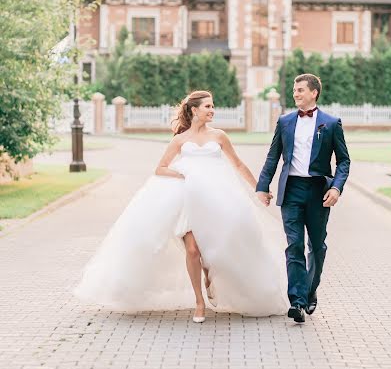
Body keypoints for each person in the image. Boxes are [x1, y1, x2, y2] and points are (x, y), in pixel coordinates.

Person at [74, 90, 288, 322]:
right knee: (193, 250)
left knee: (215, 248)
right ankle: (199, 302)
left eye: (212, 106)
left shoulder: (219, 136)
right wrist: (185, 175)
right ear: (194, 110)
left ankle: (210, 275)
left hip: (217, 200)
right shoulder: (180, 140)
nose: (212, 110)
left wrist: (259, 188)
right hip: (188, 201)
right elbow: (161, 168)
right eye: (207, 106)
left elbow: (238, 164)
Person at [256, 74, 350, 323]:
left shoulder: (331, 123)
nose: (295, 94)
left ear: (313, 93)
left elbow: (343, 161)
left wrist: (337, 188)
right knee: (294, 245)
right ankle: (297, 302)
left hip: (319, 191)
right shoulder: (285, 122)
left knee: (317, 247)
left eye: (300, 90)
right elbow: (273, 156)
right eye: (294, 90)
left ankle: (310, 289)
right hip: (292, 190)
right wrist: (262, 186)